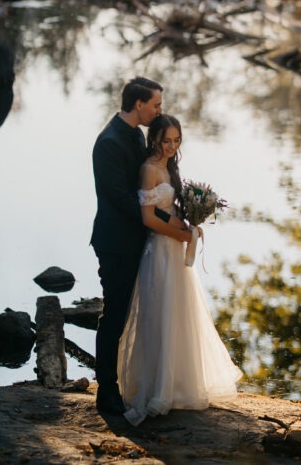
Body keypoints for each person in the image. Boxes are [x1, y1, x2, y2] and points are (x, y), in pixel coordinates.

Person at [118, 114, 242, 426]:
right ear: (155, 139)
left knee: (180, 312)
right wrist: (184, 234)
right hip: (160, 251)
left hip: (174, 250)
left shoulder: (169, 168)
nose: (172, 146)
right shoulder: (148, 170)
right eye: (166, 140)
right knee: (161, 313)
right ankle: (159, 387)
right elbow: (149, 218)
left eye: (176, 141)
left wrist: (190, 223)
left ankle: (180, 384)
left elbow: (169, 211)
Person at [90, 78, 191, 415]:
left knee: (142, 313)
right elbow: (119, 198)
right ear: (139, 104)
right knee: (115, 314)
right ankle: (106, 390)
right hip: (116, 242)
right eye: (156, 105)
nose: (159, 111)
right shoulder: (108, 143)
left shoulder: (134, 134)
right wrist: (162, 221)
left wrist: (173, 216)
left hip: (143, 242)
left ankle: (144, 379)